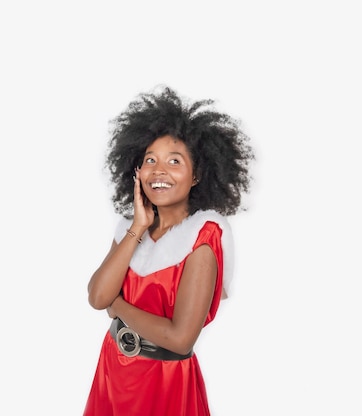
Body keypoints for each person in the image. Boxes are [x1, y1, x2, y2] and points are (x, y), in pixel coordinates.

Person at [83, 85, 254, 416]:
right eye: (150, 160)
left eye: (174, 161)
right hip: (113, 368)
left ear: (197, 175)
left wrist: (117, 305)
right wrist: (138, 227)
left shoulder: (203, 237)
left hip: (165, 380)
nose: (159, 171)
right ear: (136, 170)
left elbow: (179, 339)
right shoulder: (131, 229)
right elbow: (95, 297)